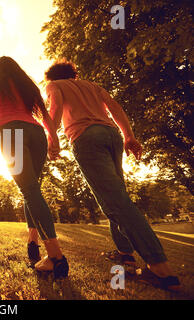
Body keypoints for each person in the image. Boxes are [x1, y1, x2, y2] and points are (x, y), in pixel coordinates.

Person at [44, 59, 181, 290]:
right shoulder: (92, 86)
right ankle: (124, 252)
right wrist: (129, 135)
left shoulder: (54, 86)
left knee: (115, 202)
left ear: (53, 77)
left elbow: (55, 109)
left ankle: (160, 268)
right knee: (117, 196)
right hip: (111, 135)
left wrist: (52, 138)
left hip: (86, 137)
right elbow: (115, 108)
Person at [0, 56, 69, 279]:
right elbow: (45, 115)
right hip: (37, 134)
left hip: (12, 134)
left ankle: (56, 257)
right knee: (32, 191)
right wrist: (54, 140)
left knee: (30, 191)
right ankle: (33, 242)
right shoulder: (28, 85)